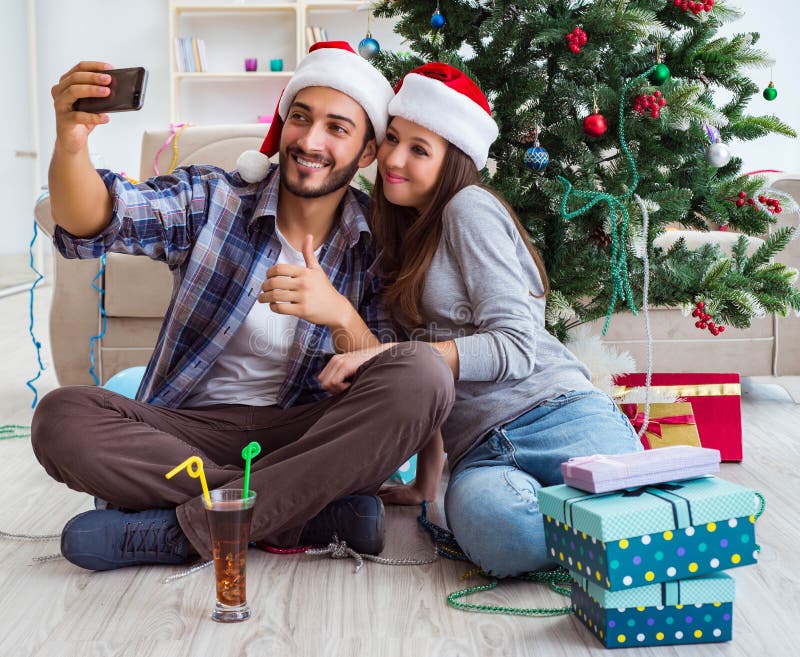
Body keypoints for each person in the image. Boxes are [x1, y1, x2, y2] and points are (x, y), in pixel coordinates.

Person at [31, 44, 455, 572]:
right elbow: (99, 218)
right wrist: (71, 144)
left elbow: (385, 379)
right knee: (60, 417)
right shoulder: (215, 200)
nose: (311, 140)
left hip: (307, 434)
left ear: (367, 152)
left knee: (424, 373)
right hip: (187, 433)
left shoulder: (378, 244)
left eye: (337, 128)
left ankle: (181, 531)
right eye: (300, 118)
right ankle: (303, 514)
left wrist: (341, 315)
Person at [318, 63, 641, 578]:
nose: (393, 159)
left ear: (453, 162)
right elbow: (428, 384)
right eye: (393, 139)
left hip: (559, 414)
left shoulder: (468, 208)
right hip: (482, 454)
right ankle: (618, 530)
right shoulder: (400, 237)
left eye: (419, 149)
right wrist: (428, 481)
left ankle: (628, 519)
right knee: (500, 537)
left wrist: (386, 354)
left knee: (616, 514)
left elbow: (516, 347)